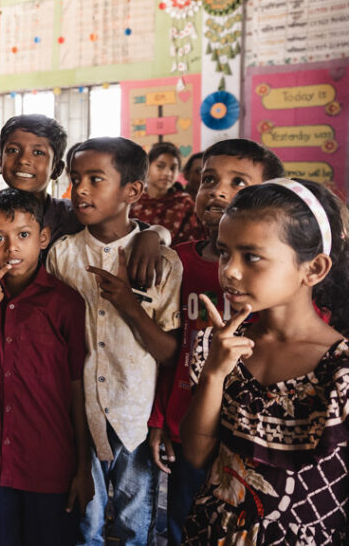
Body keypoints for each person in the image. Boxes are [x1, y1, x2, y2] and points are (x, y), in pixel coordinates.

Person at [181, 178, 349, 543]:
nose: (230, 271)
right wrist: (213, 375)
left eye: (251, 256)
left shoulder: (342, 371)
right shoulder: (220, 346)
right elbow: (196, 456)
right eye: (224, 252)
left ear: (315, 269)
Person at [47, 137, 182, 546]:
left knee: (133, 526)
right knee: (83, 525)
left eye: (95, 179)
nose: (80, 190)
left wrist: (129, 304)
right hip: (78, 414)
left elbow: (169, 353)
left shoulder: (163, 263)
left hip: (134, 416)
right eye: (75, 179)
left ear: (133, 191)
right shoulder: (63, 256)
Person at [147, 139, 283, 545]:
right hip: (185, 425)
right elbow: (167, 352)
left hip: (250, 434)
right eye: (209, 179)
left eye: (238, 182)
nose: (219, 191)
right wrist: (158, 420)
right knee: (183, 525)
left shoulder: (274, 277)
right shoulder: (178, 262)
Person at [0, 188, 92, 545]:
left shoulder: (65, 303)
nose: (11, 248)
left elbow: (78, 388)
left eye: (23, 236)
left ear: (43, 238)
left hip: (50, 467)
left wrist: (82, 468)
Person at [0, 115, 168, 287]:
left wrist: (154, 234)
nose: (24, 160)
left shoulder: (71, 215)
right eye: (13, 150)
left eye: (38, 153)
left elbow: (126, 229)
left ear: (57, 170)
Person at [130, 142, 204, 246]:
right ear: (147, 168)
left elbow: (192, 243)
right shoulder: (132, 199)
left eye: (173, 168)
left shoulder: (184, 203)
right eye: (160, 166)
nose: (167, 173)